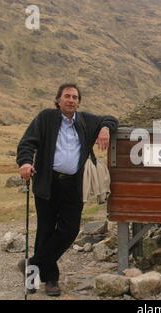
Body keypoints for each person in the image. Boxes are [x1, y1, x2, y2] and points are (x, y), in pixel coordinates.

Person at [16, 83, 118, 296]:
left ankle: (32, 263)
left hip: (74, 184)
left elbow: (110, 118)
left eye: (74, 97)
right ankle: (48, 279)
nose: (71, 100)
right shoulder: (46, 118)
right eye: (67, 96)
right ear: (58, 100)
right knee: (45, 230)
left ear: (78, 101)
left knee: (69, 230)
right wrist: (25, 162)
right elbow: (27, 142)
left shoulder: (85, 120)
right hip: (48, 182)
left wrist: (105, 129)